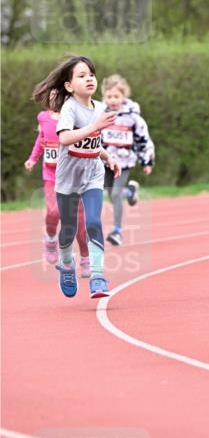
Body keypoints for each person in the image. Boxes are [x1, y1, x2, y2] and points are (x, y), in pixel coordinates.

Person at [32, 56, 120, 299]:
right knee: (69, 229)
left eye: (91, 74)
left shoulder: (100, 108)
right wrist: (94, 126)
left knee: (93, 222)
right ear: (69, 86)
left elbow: (93, 142)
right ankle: (67, 263)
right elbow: (65, 138)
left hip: (92, 175)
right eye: (82, 76)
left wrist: (107, 157)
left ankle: (98, 276)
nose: (89, 78)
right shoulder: (69, 108)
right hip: (68, 179)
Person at [25, 99, 90, 275]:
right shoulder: (43, 117)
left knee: (80, 223)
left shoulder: (76, 117)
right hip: (51, 175)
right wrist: (33, 159)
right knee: (53, 212)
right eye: (52, 96)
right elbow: (41, 139)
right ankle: (51, 238)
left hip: (74, 176)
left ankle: (85, 257)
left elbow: (89, 141)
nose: (55, 100)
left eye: (59, 96)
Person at [100, 74, 155, 247]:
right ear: (104, 96)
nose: (112, 100)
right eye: (109, 96)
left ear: (124, 96)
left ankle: (117, 231)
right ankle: (130, 192)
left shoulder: (133, 117)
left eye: (116, 96)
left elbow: (143, 139)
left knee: (115, 194)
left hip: (124, 163)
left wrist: (147, 161)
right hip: (105, 161)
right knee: (111, 193)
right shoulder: (99, 114)